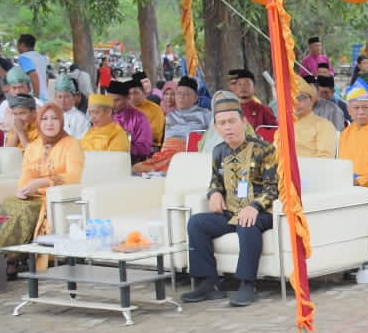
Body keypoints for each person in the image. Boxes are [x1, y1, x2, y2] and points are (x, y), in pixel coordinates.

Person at [180, 92, 278, 308]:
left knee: (247, 223)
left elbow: (273, 188)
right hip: (231, 211)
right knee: (197, 223)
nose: (228, 127)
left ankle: (247, 284)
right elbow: (215, 181)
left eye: (232, 121)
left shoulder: (265, 149)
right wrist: (214, 193)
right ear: (216, 127)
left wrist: (254, 206)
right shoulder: (218, 151)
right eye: (222, 123)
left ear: (244, 122)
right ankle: (210, 283)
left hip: (262, 212)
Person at [0, 103, 85, 274]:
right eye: (45, 119)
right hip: (32, 195)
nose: (49, 123)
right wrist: (23, 190)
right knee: (7, 204)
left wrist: (41, 183)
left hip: (53, 197)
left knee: (23, 210)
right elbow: (26, 173)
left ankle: (11, 260)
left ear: (61, 121)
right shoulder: (33, 146)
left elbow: (73, 176)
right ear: (39, 122)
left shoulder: (72, 144)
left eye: (54, 118)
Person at [292, 77, 336, 159]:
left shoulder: (323, 125)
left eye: (301, 98)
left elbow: (326, 159)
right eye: (291, 98)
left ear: (312, 100)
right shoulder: (285, 125)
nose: (296, 102)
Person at [109, 80, 154, 161]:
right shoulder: (104, 116)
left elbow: (145, 148)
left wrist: (121, 147)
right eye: (109, 99)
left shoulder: (139, 118)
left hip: (131, 161)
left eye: (116, 100)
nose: (112, 104)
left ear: (127, 98)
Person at [128, 73, 166, 141]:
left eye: (135, 93)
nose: (132, 97)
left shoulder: (155, 109)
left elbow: (155, 133)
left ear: (143, 92)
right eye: (129, 94)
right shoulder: (125, 109)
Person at [15, 34, 51, 104]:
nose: (17, 47)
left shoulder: (23, 57)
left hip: (33, 98)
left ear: (22, 45)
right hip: (45, 97)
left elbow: (33, 75)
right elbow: (47, 77)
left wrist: (36, 97)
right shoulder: (43, 58)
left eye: (17, 44)